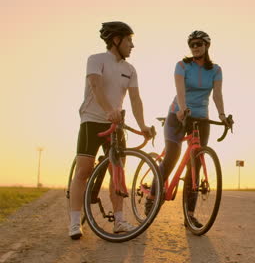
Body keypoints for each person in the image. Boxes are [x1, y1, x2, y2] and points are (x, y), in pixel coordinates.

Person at [69, 21, 153, 239]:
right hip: (92, 121)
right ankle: (75, 222)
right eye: (129, 40)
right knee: (83, 171)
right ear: (116, 40)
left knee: (117, 174)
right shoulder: (96, 60)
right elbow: (95, 86)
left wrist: (143, 125)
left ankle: (119, 221)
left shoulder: (130, 69)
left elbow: (135, 99)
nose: (132, 45)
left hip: (116, 125)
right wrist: (108, 110)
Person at [145, 30, 232, 226]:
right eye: (192, 44)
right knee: (172, 156)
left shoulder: (216, 70)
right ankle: (151, 197)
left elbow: (217, 94)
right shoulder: (182, 65)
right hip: (178, 114)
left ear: (207, 46)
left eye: (199, 44)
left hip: (201, 117)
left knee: (196, 164)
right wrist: (183, 109)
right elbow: (180, 90)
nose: (195, 47)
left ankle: (189, 215)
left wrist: (222, 115)